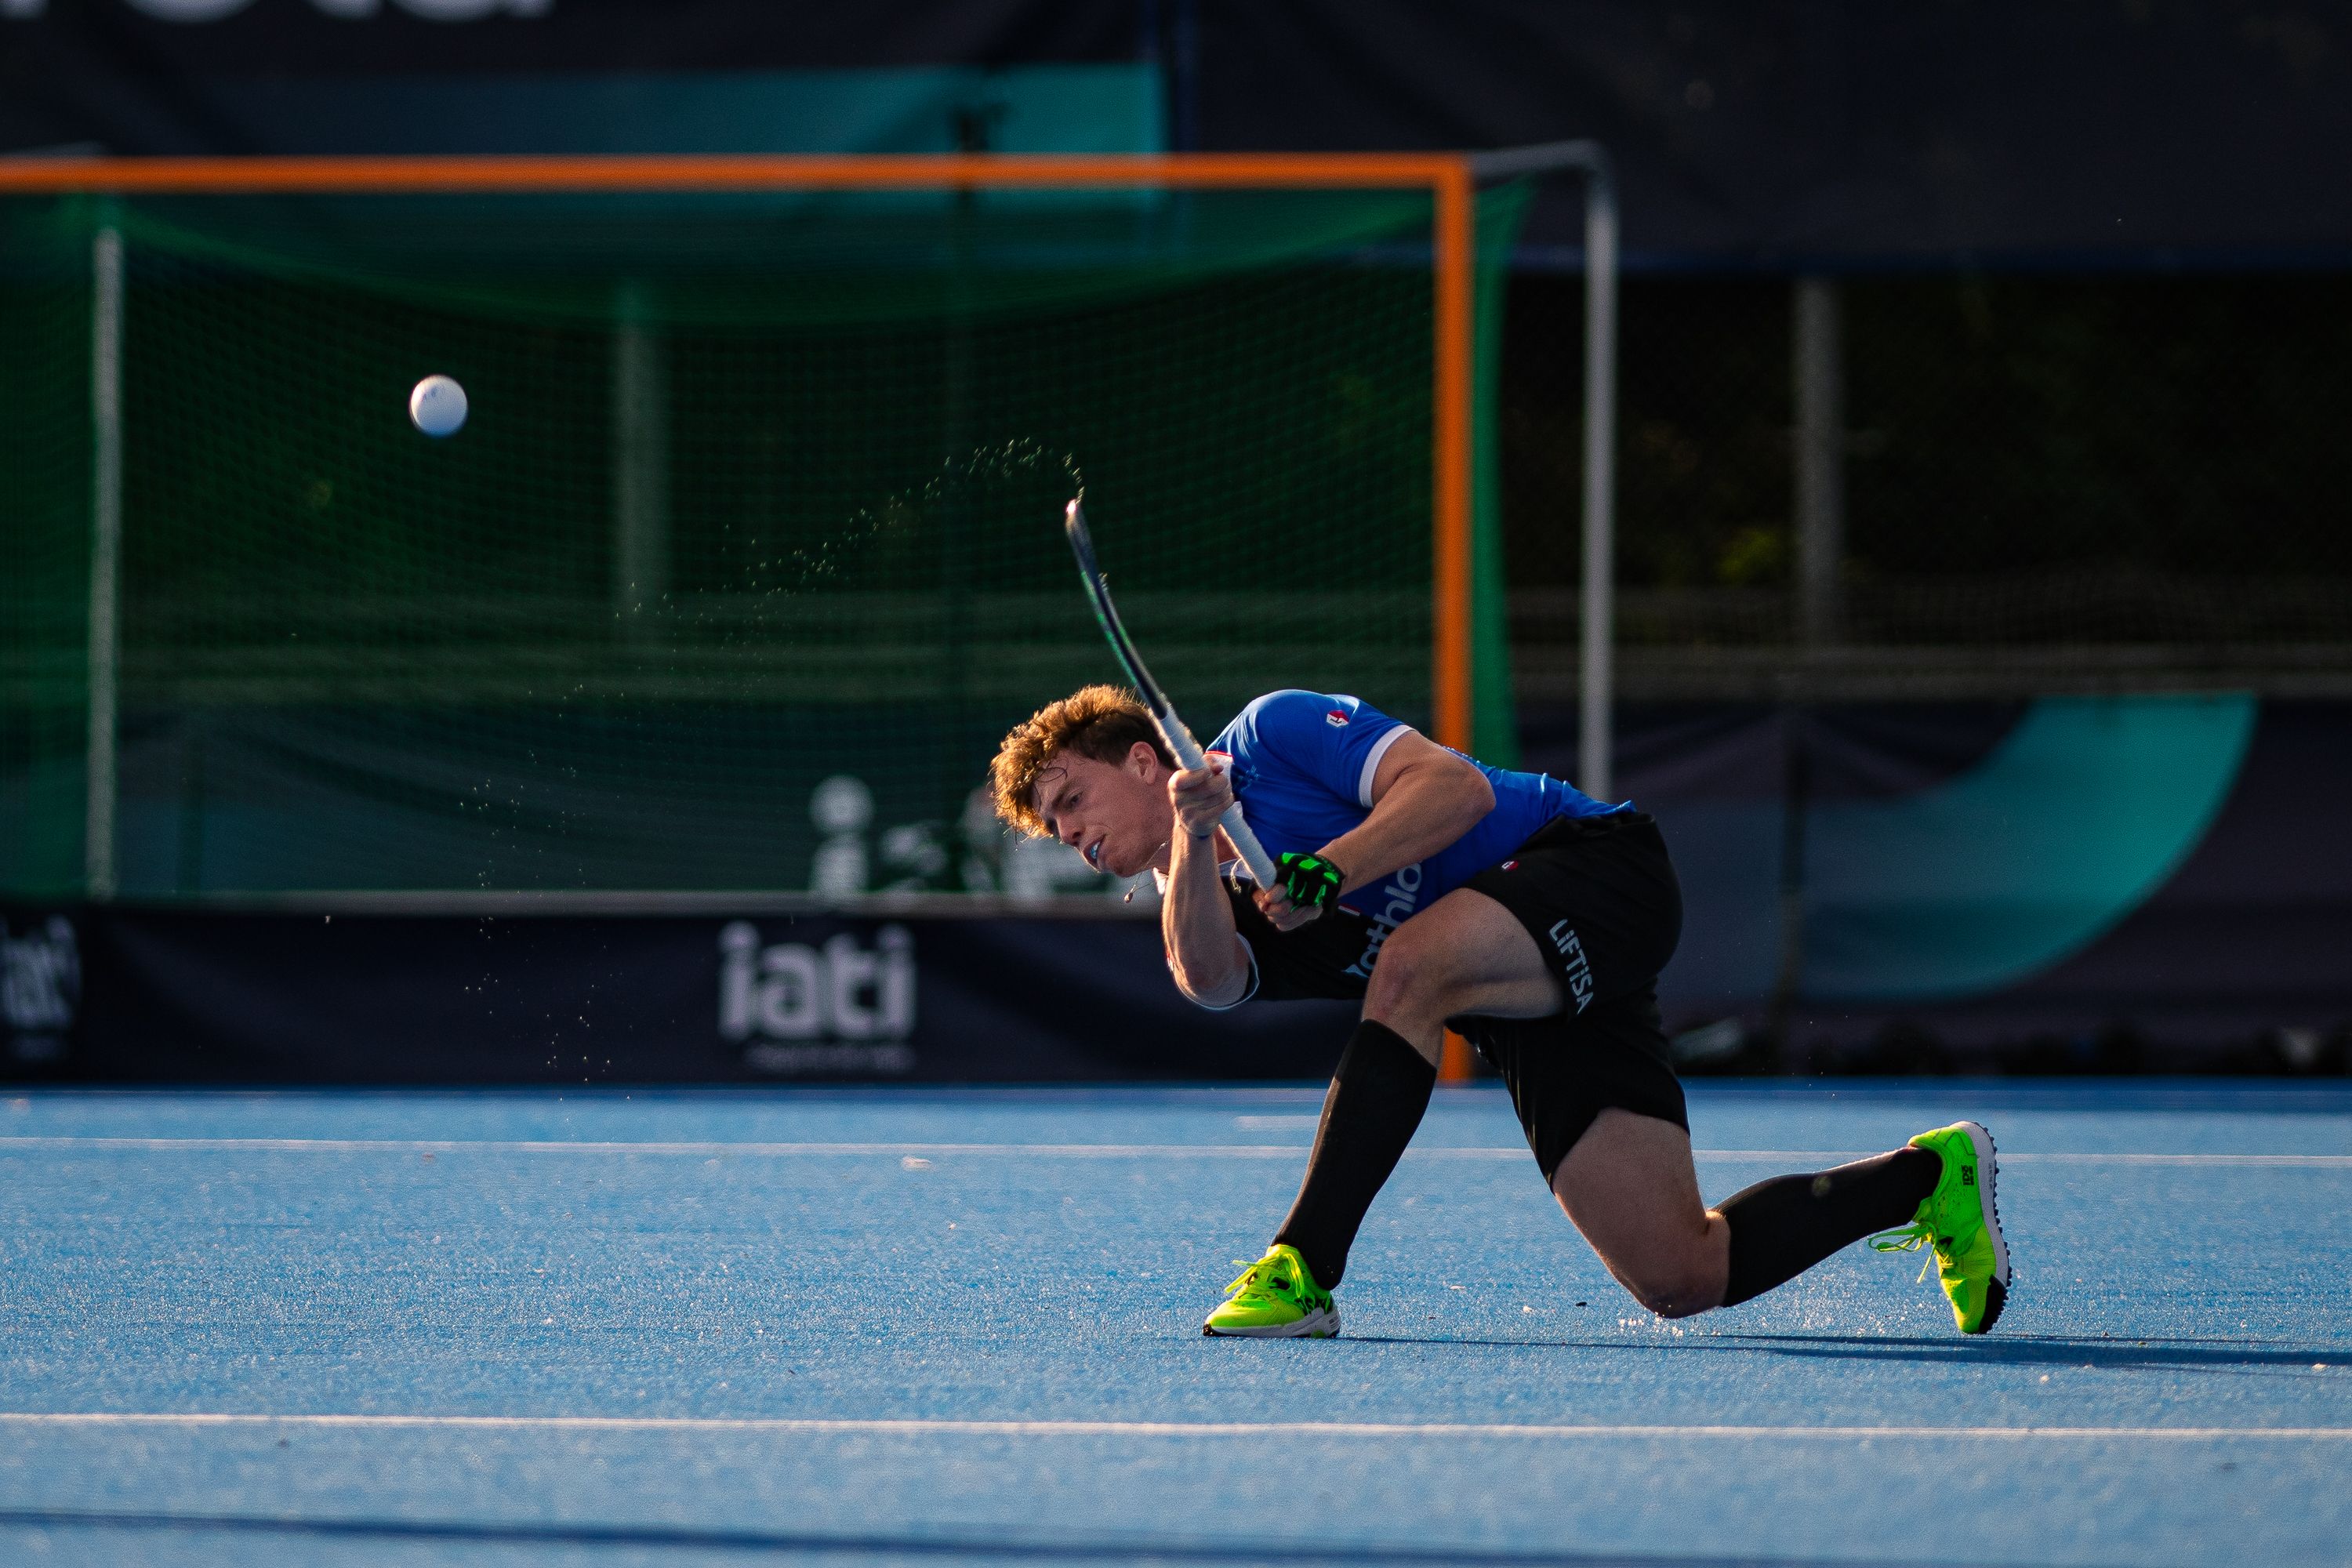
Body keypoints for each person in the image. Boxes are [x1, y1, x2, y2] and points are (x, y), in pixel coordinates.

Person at [989, 684, 2012, 1338]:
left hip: (1597, 873)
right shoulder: (1204, 873)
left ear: (1140, 756)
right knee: (1678, 1275)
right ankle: (1931, 1177)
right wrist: (1192, 832)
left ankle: (1302, 1266)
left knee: (1405, 968)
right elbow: (1208, 983)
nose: (1067, 832)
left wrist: (1330, 868)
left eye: (1070, 797)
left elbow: (1457, 792)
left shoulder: (1272, 735)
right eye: (1051, 827)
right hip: (1515, 992)